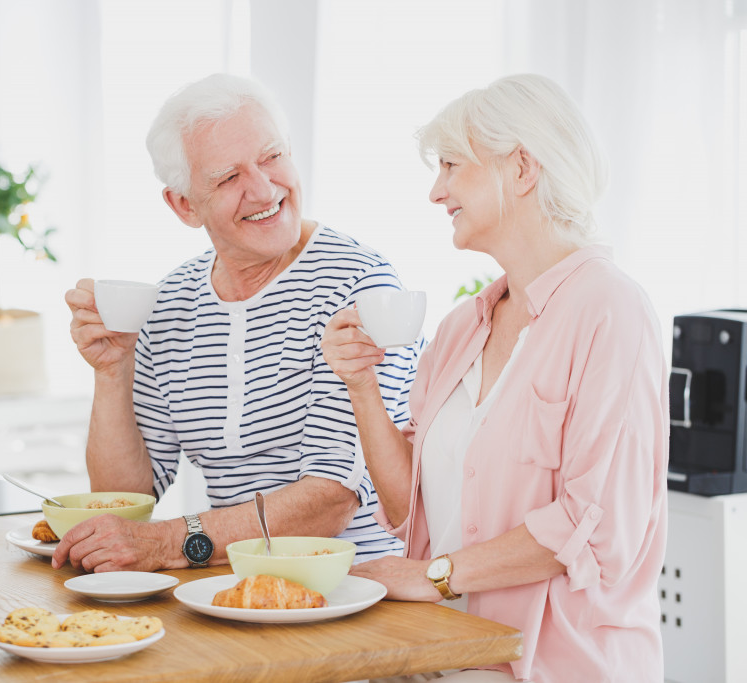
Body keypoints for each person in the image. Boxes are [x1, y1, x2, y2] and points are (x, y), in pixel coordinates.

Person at [322, 74, 668, 682]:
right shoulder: (461, 328)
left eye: (452, 164)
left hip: (553, 666)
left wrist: (435, 575)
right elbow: (411, 510)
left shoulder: (611, 309)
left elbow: (596, 527)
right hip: (445, 653)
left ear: (523, 169)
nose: (437, 191)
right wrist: (360, 386)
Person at [54, 73, 424, 574]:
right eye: (229, 178)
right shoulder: (173, 302)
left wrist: (169, 543)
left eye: (272, 156)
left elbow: (331, 500)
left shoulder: (361, 288)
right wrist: (111, 372)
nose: (264, 188)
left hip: (353, 592)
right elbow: (126, 498)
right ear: (184, 204)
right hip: (226, 593)